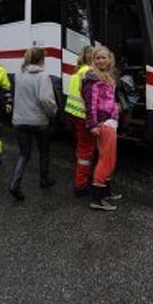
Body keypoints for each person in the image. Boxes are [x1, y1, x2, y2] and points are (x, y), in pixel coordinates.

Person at [8, 48, 57, 201]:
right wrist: (52, 112)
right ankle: (44, 180)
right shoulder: (43, 76)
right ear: (41, 60)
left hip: (20, 121)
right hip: (39, 122)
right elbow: (44, 99)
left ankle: (14, 185)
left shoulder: (19, 75)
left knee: (24, 154)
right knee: (44, 152)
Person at [81, 47, 121, 211]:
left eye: (104, 58)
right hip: (102, 124)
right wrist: (93, 124)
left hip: (109, 122)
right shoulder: (93, 79)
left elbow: (112, 102)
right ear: (93, 60)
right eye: (97, 58)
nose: (101, 61)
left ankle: (106, 192)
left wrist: (115, 115)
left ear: (110, 60)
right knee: (106, 160)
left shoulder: (108, 77)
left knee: (109, 158)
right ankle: (97, 199)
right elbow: (90, 104)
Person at [64, 45, 95, 196]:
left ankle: (82, 176)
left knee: (80, 147)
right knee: (86, 151)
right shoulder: (89, 73)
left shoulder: (77, 71)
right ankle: (81, 185)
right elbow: (89, 100)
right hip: (83, 117)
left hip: (72, 114)